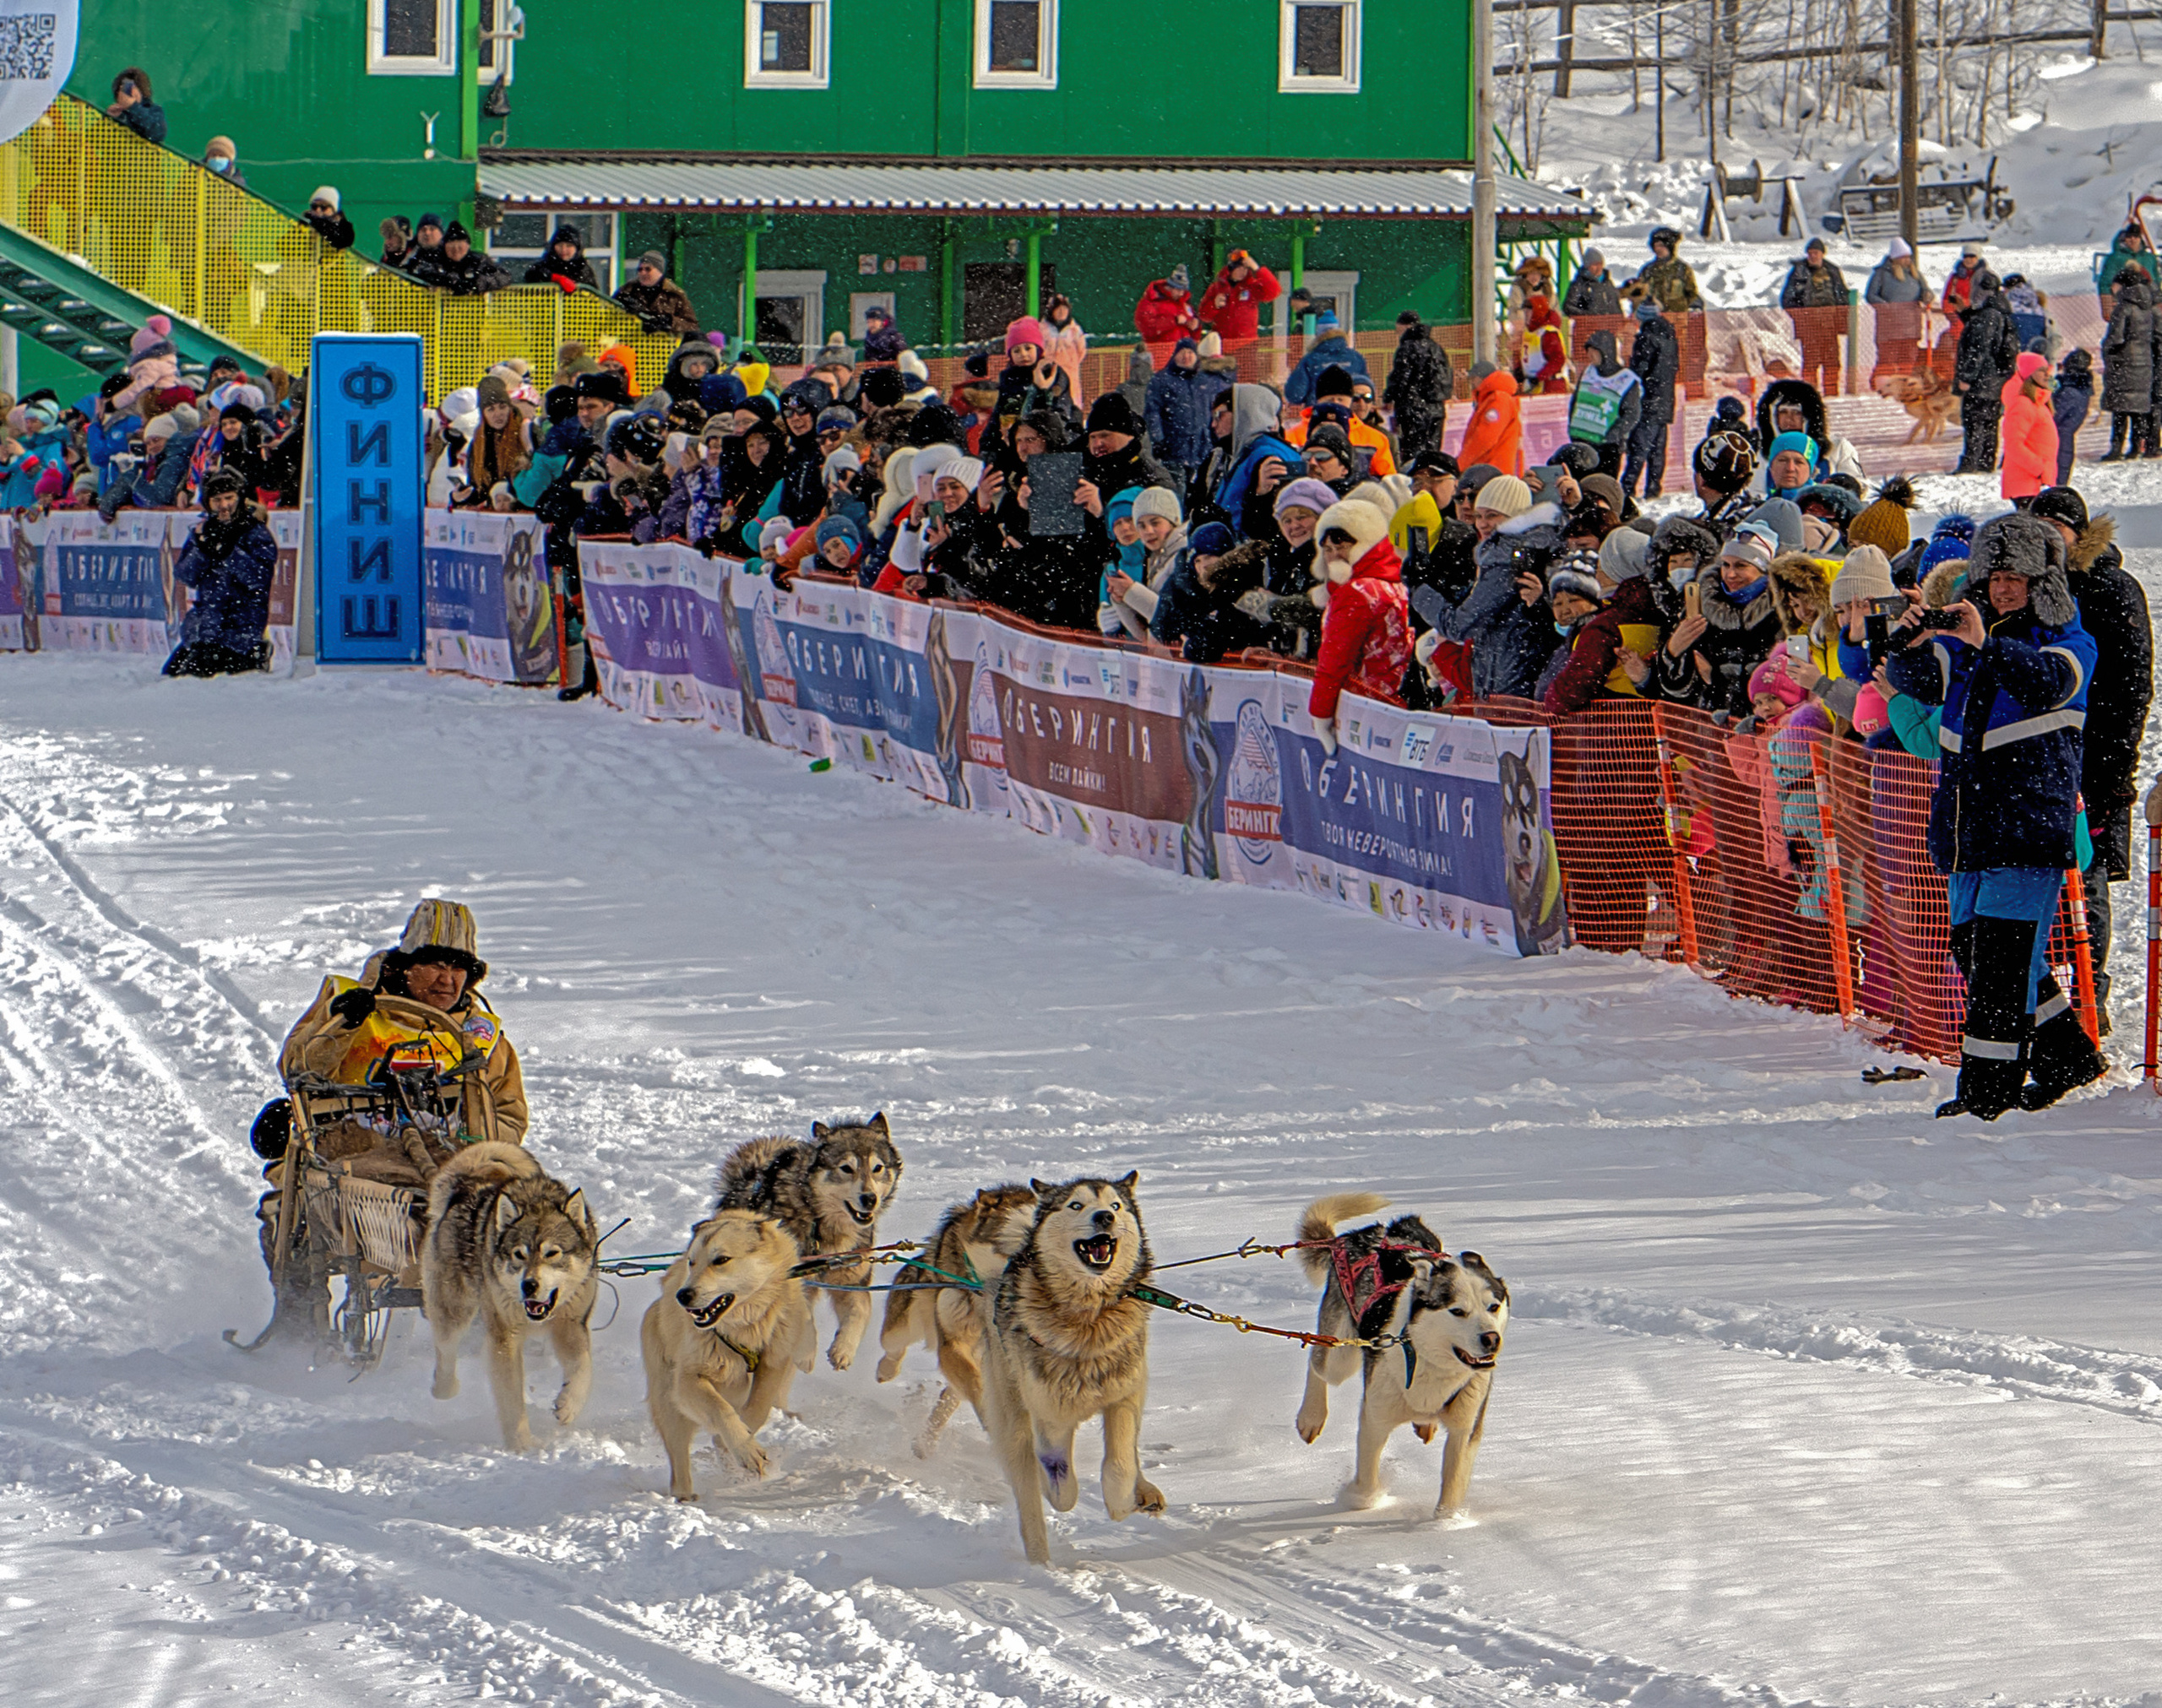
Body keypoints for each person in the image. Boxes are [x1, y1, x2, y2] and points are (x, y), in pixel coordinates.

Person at [1884, 514, 2100, 1118]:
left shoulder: (2070, 640)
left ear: (2042, 580)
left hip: (2029, 827)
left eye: (2017, 577)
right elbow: (1918, 682)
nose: (2004, 588)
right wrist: (1904, 639)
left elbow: (2044, 683)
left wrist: (1984, 642)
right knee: (1983, 957)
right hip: (1965, 830)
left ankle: (1986, 1096)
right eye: (1995, 576)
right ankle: (2067, 1058)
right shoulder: (1968, 638)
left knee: (2001, 972)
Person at [2032, 485, 2153, 1029]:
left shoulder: (2111, 589)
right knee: (2037, 879)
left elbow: (2130, 690)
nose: (2047, 538)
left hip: (2095, 759)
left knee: (2089, 878)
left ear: (2078, 534)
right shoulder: (2027, 588)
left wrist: (2113, 774)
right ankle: (2046, 998)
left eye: (2056, 528)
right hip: (2037, 759)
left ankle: (2089, 995)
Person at [1410, 472, 1562, 700]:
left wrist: (1420, 591)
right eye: (1479, 515)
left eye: (1492, 515)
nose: (1482, 523)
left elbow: (1460, 625)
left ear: (1514, 517)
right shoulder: (1524, 550)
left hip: (1508, 688)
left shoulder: (1506, 559)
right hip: (1508, 682)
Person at [1306, 493, 1410, 754]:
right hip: (1395, 703)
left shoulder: (1356, 593)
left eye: (1342, 546)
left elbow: (1334, 662)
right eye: (1327, 549)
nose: (1333, 556)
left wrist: (1320, 715)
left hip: (1364, 708)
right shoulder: (1395, 581)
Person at [162, 469, 276, 678]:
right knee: (171, 676)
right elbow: (186, 575)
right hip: (205, 626)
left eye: (229, 498)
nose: (224, 506)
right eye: (217, 500)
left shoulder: (254, 531)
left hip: (240, 629)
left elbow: (259, 579)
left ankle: (255, 655)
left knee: (201, 677)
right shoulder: (204, 530)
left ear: (239, 498)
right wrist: (203, 549)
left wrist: (229, 550)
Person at [1143, 336, 1222, 488]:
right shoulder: (1162, 380)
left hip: (1202, 448)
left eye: (1190, 353)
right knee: (1176, 489)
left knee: (1200, 491)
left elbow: (1213, 410)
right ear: (1175, 355)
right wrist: (1158, 440)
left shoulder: (1205, 380)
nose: (1186, 357)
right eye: (1182, 353)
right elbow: (1152, 412)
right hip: (1174, 448)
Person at [1566, 329, 1641, 480]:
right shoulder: (1588, 372)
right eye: (1589, 351)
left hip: (1607, 448)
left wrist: (1613, 435)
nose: (1590, 355)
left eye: (1595, 351)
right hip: (1582, 442)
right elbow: (1576, 401)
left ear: (1606, 352)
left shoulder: (1626, 380)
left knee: (1603, 488)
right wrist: (1572, 425)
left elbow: (1632, 413)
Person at [1779, 237, 1850, 395]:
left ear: (1822, 254)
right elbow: (1787, 299)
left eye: (1816, 253)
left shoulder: (1833, 271)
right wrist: (1801, 317)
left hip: (1830, 326)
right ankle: (1810, 394)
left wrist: (1843, 320)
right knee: (1811, 362)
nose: (1813, 256)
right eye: (1810, 253)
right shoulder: (1799, 273)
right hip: (1809, 327)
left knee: (1832, 362)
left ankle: (1832, 393)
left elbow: (1843, 297)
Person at [1624, 300, 1680, 497]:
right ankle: (1654, 487)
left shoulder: (1647, 339)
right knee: (1657, 448)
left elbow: (1639, 371)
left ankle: (1627, 488)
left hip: (1648, 400)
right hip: (1665, 400)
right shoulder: (1670, 338)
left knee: (1639, 447)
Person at [2099, 263, 2153, 462]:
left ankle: (2116, 448)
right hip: (2143, 363)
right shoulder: (2146, 308)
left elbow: (2116, 337)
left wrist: (2107, 349)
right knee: (2137, 410)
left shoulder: (2123, 309)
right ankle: (2136, 447)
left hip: (2124, 363)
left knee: (2120, 411)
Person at [1382, 313, 1453, 462]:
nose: (1398, 335)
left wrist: (1389, 397)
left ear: (1406, 327)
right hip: (1436, 409)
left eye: (1398, 330)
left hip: (1412, 407)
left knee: (1412, 452)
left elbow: (1401, 376)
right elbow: (1446, 377)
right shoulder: (1436, 348)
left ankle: (1414, 481)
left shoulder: (1407, 348)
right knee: (1432, 451)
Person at [1998, 352, 2058, 506]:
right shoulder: (2023, 404)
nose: (2047, 374)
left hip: (2035, 483)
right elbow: (2013, 445)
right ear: (2030, 375)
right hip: (2026, 483)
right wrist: (2039, 469)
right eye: (2041, 370)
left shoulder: (2037, 402)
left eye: (2048, 370)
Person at [1198, 251, 1281, 357]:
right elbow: (1204, 316)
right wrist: (1214, 305)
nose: (1243, 272)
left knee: (1246, 373)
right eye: (1239, 268)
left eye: (1246, 268)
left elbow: (1274, 291)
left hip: (1247, 346)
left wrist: (1258, 269)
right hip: (1222, 346)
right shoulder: (1216, 288)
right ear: (1231, 269)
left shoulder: (1252, 286)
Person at [1284, 311, 1366, 405]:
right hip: (1350, 413)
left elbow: (1295, 394)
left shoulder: (1311, 359)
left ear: (1319, 334)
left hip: (1319, 413)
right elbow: (1364, 387)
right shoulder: (1356, 357)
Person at [1458, 360, 1523, 475]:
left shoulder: (1498, 400)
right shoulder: (1492, 399)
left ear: (1481, 378)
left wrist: (1461, 464)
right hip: (1491, 468)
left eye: (1473, 378)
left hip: (1492, 470)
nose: (1471, 383)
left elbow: (1485, 438)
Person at [616, 251, 700, 336]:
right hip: (630, 344)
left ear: (660, 271)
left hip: (665, 346)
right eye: (640, 269)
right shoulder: (626, 292)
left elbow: (692, 327)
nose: (643, 273)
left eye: (648, 269)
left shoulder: (675, 295)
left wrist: (669, 322)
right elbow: (608, 315)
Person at [1623, 227, 1704, 314]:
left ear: (1670, 247)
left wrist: (1692, 309)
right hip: (1653, 319)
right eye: (1655, 246)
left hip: (1677, 318)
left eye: (1661, 245)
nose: (1658, 249)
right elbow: (1640, 295)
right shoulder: (1648, 270)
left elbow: (1692, 294)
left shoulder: (1682, 269)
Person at [1133, 266, 1203, 366]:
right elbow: (1145, 326)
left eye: (1183, 291)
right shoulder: (1151, 302)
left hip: (1183, 361)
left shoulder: (1185, 305)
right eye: (1179, 290)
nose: (1181, 294)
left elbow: (1195, 334)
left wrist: (1195, 327)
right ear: (1170, 287)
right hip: (1160, 359)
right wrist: (1173, 321)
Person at [432, 220, 509, 295]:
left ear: (468, 245)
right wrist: (449, 282)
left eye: (459, 246)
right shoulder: (437, 262)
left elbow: (503, 278)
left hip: (475, 306)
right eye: (451, 246)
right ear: (444, 247)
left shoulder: (479, 261)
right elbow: (425, 274)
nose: (455, 250)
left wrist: (477, 283)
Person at [2053, 349, 2094, 485]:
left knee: (2060, 469)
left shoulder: (2070, 391)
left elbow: (2056, 415)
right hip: (2067, 434)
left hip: (2060, 436)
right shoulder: (2083, 389)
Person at [1041, 294, 1088, 409]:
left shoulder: (1075, 330)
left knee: (1071, 401)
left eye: (1065, 309)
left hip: (1070, 372)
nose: (1062, 312)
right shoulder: (1042, 329)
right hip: (1049, 371)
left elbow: (1081, 350)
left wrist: (1071, 363)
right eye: (1059, 309)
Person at [524, 225, 600, 291]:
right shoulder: (545, 265)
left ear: (577, 249)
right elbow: (531, 276)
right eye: (560, 245)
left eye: (569, 246)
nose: (563, 250)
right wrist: (555, 278)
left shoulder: (583, 269)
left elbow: (594, 294)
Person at [106, 68, 166, 144]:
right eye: (122, 91)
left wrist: (134, 107)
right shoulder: (120, 114)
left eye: (129, 89)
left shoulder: (154, 110)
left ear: (141, 90)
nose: (126, 95)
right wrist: (107, 119)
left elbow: (157, 133)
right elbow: (93, 141)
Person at [2097, 220, 2155, 296]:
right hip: (2124, 300)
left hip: (2149, 300)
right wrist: (2107, 296)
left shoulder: (2149, 258)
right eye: (2129, 236)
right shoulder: (2116, 258)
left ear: (2140, 239)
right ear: (2125, 239)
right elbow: (2106, 281)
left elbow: (2156, 280)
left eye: (2136, 236)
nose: (2132, 239)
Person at [1562, 248, 1621, 318]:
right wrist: (1587, 316)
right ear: (1587, 266)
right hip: (1588, 327)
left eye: (1600, 264)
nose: (1599, 267)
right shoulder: (1580, 284)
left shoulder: (1608, 283)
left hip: (1612, 325)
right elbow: (1568, 307)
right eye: (1595, 265)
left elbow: (1616, 305)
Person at [303, 187, 356, 252]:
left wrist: (319, 223)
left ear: (334, 210)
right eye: (314, 207)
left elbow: (341, 242)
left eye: (323, 207)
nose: (318, 210)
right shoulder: (304, 224)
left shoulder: (344, 230)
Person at [1942, 241, 1987, 314]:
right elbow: (1947, 300)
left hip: (1980, 317)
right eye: (1965, 256)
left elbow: (1988, 299)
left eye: (1972, 256)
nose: (1968, 259)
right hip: (1959, 318)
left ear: (1978, 258)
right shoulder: (1955, 278)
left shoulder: (1986, 277)